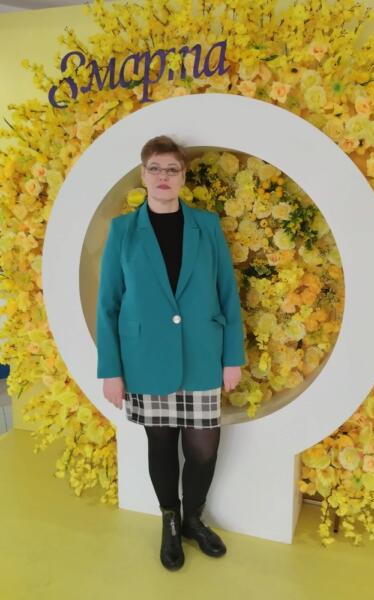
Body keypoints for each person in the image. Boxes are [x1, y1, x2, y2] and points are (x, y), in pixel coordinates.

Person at [96, 135, 246, 571]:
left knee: (202, 449)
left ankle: (193, 519)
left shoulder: (207, 226)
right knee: (160, 446)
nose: (163, 176)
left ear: (183, 177)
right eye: (155, 169)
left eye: (172, 169)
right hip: (145, 359)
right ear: (143, 175)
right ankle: (170, 520)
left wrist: (232, 357)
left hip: (202, 355)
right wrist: (111, 371)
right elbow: (108, 304)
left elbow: (227, 292)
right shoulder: (122, 231)